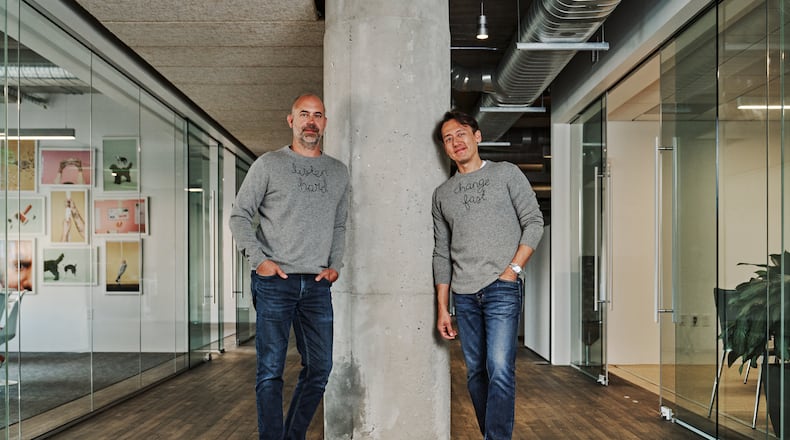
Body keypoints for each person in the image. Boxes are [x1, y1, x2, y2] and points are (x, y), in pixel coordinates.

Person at [229, 93, 349, 440]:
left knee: (320, 368)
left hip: (316, 284)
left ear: (324, 123)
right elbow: (239, 216)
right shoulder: (268, 164)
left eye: (318, 115)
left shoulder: (338, 172)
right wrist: (260, 261)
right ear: (291, 120)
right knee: (270, 371)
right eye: (304, 114)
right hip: (275, 282)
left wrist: (335, 265)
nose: (311, 121)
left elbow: (340, 225)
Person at [432, 110, 544, 439]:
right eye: (448, 139)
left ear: (477, 136)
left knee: (500, 369)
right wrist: (443, 306)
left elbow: (534, 223)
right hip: (463, 296)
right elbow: (441, 253)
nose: (455, 142)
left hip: (501, 288)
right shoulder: (442, 194)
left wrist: (513, 270)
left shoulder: (507, 174)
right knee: (475, 374)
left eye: (461, 134)